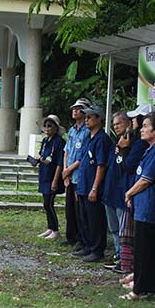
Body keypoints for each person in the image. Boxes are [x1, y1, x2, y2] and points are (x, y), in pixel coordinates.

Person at [122, 113, 155, 301]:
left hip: (149, 207)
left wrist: (129, 192)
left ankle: (140, 289)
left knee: (145, 249)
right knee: (147, 247)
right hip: (143, 205)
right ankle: (149, 286)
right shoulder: (151, 149)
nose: (141, 129)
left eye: (146, 126)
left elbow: (146, 179)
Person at [117, 104, 153, 284]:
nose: (133, 122)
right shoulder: (137, 141)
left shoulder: (141, 144)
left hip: (139, 195)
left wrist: (124, 149)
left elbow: (130, 166)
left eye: (137, 119)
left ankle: (135, 272)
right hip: (133, 192)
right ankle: (133, 271)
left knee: (136, 236)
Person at [73, 106, 113, 262]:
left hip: (93, 186)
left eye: (90, 117)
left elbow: (101, 165)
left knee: (95, 219)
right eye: (86, 117)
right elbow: (83, 162)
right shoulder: (88, 138)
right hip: (83, 184)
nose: (87, 120)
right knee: (84, 218)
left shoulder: (102, 139)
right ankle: (88, 245)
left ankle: (97, 249)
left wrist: (95, 187)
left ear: (99, 119)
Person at [102, 111, 132, 269]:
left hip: (122, 192)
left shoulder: (130, 144)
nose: (116, 127)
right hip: (110, 190)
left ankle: (123, 257)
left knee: (122, 227)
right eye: (114, 125)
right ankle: (117, 253)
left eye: (119, 124)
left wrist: (124, 150)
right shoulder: (115, 143)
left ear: (128, 123)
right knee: (113, 226)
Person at [61, 98, 91, 249]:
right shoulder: (72, 130)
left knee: (80, 210)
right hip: (70, 175)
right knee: (69, 208)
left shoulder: (87, 131)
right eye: (74, 108)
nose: (75, 110)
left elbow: (83, 156)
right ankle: (71, 236)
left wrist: (69, 170)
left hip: (79, 175)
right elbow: (66, 151)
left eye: (79, 108)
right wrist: (65, 171)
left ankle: (80, 238)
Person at [33, 115, 64, 239]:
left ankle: (55, 230)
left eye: (50, 125)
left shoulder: (59, 142)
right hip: (44, 174)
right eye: (45, 125)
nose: (46, 128)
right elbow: (44, 156)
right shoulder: (46, 141)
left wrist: (56, 180)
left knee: (49, 203)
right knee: (45, 203)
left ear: (56, 128)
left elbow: (60, 162)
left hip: (52, 176)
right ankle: (50, 227)